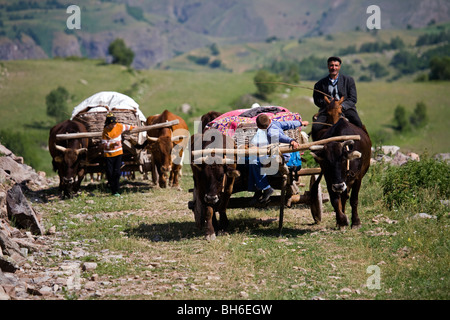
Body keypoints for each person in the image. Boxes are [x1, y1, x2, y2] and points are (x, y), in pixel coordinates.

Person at [248, 114, 308, 205]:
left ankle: (266, 188)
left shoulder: (270, 132)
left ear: (259, 127)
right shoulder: (275, 124)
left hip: (280, 158)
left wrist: (291, 140)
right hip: (280, 154)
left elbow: (282, 137)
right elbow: (288, 124)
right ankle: (259, 190)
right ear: (270, 120)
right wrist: (300, 123)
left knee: (253, 162)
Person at [312, 56, 363, 139]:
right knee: (315, 127)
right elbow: (317, 100)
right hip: (327, 110)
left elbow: (353, 98)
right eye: (331, 65)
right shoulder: (319, 84)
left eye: (336, 65)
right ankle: (317, 149)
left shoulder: (349, 80)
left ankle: (364, 145)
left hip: (346, 109)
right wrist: (329, 103)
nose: (333, 68)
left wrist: (341, 106)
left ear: (339, 67)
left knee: (358, 123)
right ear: (328, 66)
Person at [101, 113, 135, 196]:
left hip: (118, 153)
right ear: (108, 123)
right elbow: (103, 144)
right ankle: (112, 188)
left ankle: (115, 190)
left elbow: (127, 127)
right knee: (109, 172)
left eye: (114, 123)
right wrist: (112, 144)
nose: (114, 125)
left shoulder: (119, 126)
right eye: (112, 124)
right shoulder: (105, 131)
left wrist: (133, 127)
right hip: (108, 155)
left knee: (117, 172)